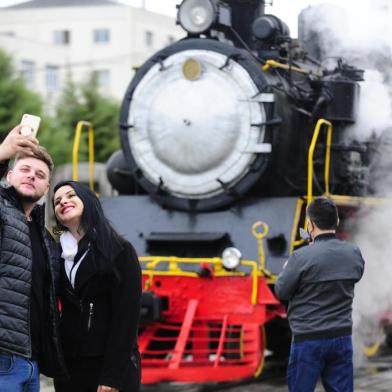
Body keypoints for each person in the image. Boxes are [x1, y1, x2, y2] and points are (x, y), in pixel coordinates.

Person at [52, 180, 142, 392]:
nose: (63, 201)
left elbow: (126, 318)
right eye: (57, 201)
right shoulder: (56, 253)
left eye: (71, 195)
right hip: (70, 366)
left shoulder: (120, 250)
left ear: (88, 201)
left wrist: (112, 376)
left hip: (108, 365)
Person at [275, 197, 365, 392]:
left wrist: (287, 269)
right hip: (341, 337)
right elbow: (356, 275)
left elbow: (281, 290)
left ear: (310, 224)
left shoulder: (299, 257)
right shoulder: (354, 253)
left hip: (308, 339)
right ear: (337, 222)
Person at [0, 125, 65, 391]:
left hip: (31, 363)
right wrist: (3, 151)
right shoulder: (2, 212)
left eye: (39, 175)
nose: (31, 177)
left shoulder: (43, 234)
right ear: (9, 174)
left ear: (46, 187)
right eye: (25, 170)